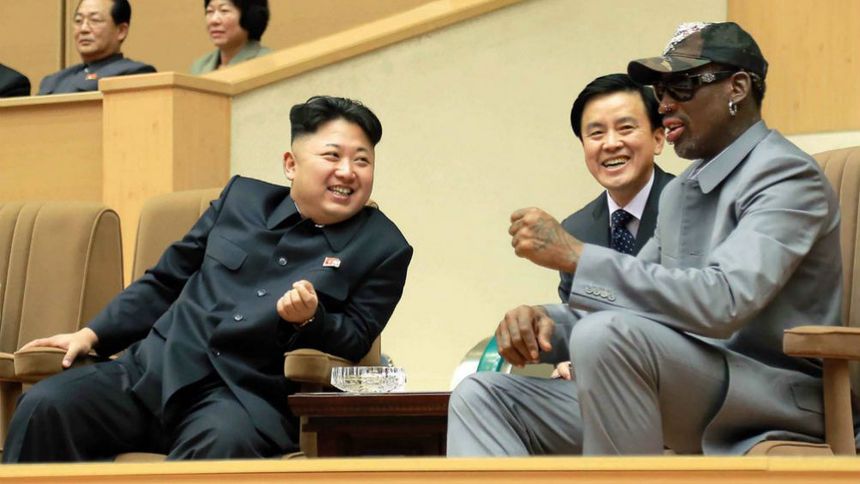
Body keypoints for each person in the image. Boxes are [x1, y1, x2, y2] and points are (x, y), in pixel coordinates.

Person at [448, 22, 847, 456]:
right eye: (661, 91)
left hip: (771, 396)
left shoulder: (786, 175)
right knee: (481, 397)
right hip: (678, 383)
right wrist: (547, 324)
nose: (665, 104)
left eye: (682, 86)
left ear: (737, 87)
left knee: (605, 336)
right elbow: (637, 297)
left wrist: (577, 256)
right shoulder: (683, 189)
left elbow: (725, 301)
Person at [3, 95, 413, 462]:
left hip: (238, 397)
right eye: (332, 156)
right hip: (153, 371)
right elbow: (165, 280)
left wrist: (311, 320)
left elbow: (357, 338)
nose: (347, 172)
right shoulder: (241, 199)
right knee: (46, 405)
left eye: (362, 161)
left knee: (220, 447)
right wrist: (91, 334)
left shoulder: (384, 247)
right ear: (291, 164)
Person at [38, 0, 155, 95]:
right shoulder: (53, 80)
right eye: (78, 21)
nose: (83, 29)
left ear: (121, 31)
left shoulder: (135, 73)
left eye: (95, 20)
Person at [191, 0, 271, 75]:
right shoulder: (199, 67)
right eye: (210, 11)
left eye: (224, 11)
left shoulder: (269, 64)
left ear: (250, 16)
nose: (213, 20)